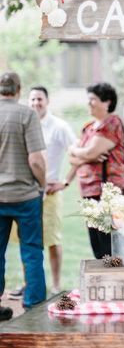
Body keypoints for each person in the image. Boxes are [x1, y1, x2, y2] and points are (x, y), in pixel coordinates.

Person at [66, 82, 124, 259]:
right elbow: (76, 159)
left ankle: (115, 284)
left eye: (93, 99)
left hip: (110, 192)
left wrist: (77, 151)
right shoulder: (89, 127)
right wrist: (83, 155)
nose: (88, 103)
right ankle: (104, 282)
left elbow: (89, 151)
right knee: (97, 244)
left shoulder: (112, 123)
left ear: (107, 102)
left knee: (110, 245)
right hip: (90, 191)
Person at [0, 71, 47, 318]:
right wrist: (43, 184)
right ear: (19, 90)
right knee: (31, 251)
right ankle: (34, 307)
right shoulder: (26, 115)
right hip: (25, 195)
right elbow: (36, 160)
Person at [28, 86, 76, 293]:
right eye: (32, 99)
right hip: (27, 193)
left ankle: (56, 286)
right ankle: (28, 284)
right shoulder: (26, 124)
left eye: (39, 99)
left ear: (47, 101)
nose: (36, 103)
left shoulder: (59, 126)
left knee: (53, 239)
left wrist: (65, 182)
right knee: (29, 240)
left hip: (50, 192)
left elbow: (77, 154)